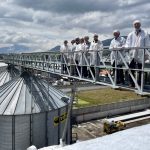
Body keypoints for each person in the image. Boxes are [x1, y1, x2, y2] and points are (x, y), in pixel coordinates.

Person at [125, 20, 150, 87]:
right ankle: (131, 83)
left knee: (140, 69)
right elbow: (127, 43)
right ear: (133, 25)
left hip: (141, 53)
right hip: (132, 53)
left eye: (138, 24)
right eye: (135, 24)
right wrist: (127, 48)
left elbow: (147, 43)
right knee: (130, 68)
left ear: (140, 25)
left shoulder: (145, 33)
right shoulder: (130, 34)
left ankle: (140, 83)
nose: (136, 25)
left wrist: (146, 53)